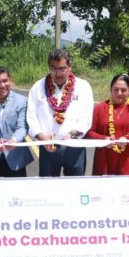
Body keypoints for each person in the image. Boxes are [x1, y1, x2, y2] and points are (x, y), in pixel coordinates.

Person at [26, 49, 94, 177]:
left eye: (62, 69)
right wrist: (42, 138)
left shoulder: (83, 87)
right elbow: (31, 118)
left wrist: (72, 135)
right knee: (48, 189)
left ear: (70, 66)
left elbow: (86, 118)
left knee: (75, 189)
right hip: (47, 147)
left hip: (74, 146)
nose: (58, 74)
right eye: (54, 69)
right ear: (48, 67)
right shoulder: (38, 87)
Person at [86, 74, 129, 175]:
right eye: (116, 89)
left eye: (123, 90)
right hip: (104, 159)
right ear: (111, 90)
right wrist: (104, 139)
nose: (119, 93)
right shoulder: (100, 108)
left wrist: (128, 140)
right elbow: (90, 133)